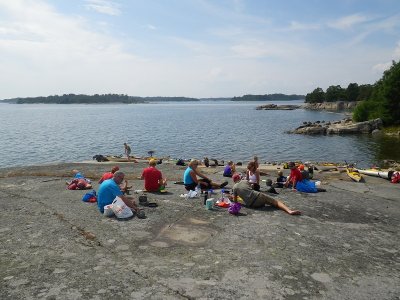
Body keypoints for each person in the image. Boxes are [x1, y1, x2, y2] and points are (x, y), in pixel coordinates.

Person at [231, 173, 300, 215]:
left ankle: (270, 204)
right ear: (239, 178)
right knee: (276, 202)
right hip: (258, 196)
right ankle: (289, 211)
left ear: (234, 180)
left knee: (268, 203)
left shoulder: (234, 187)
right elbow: (252, 187)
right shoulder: (245, 181)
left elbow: (235, 202)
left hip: (252, 205)